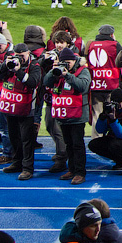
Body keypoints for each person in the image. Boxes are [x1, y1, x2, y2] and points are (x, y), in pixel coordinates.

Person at [0, 42, 42, 180]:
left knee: (27, 139)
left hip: (27, 109)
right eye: (17, 56)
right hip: (10, 107)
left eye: (22, 56)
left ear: (28, 54)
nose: (20, 58)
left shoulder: (34, 66)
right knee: (13, 136)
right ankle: (17, 162)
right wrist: (4, 64)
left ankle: (27, 168)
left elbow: (33, 82)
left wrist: (18, 71)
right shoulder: (10, 63)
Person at [43, 47, 91, 185]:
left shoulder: (83, 71)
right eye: (63, 62)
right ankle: (72, 169)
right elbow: (46, 82)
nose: (66, 65)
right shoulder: (57, 70)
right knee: (68, 144)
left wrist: (67, 75)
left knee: (77, 144)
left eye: (68, 62)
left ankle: (80, 173)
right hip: (63, 115)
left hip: (77, 115)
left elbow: (83, 86)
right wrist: (54, 71)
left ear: (74, 60)